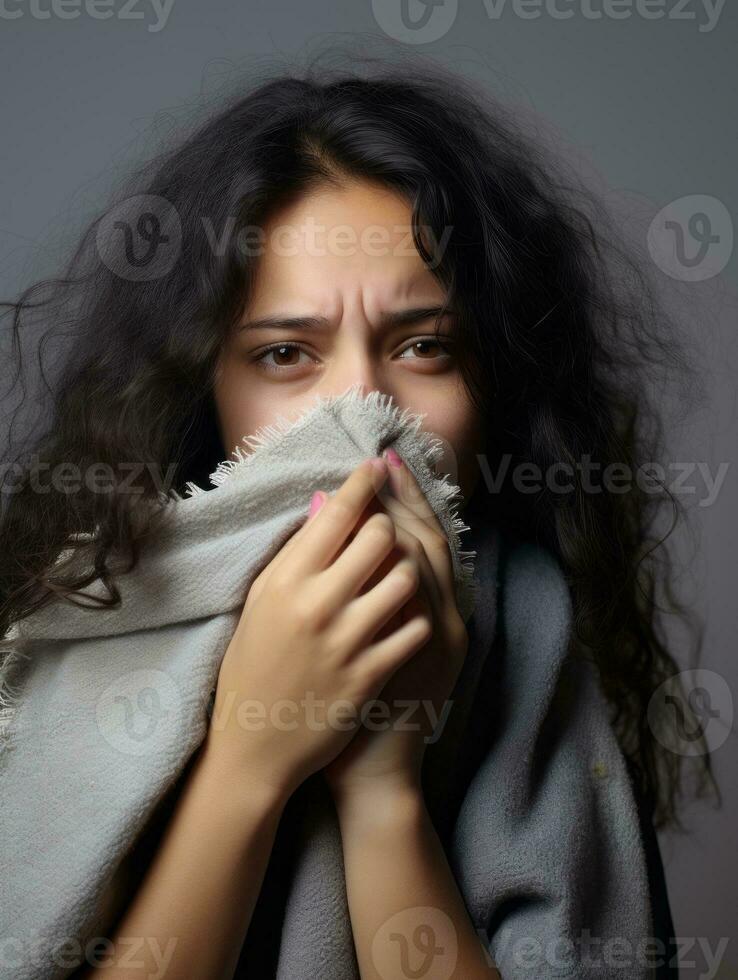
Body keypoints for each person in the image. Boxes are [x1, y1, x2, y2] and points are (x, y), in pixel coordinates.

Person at [0, 55, 719, 978]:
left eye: (422, 346)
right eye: (287, 354)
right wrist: (249, 763)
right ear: (203, 388)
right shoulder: (91, 611)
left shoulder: (531, 626)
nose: (362, 413)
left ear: (488, 382)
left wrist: (384, 793)